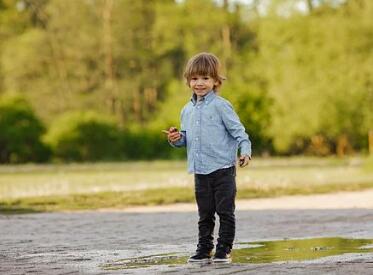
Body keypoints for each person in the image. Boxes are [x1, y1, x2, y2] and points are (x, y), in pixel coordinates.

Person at [165, 52, 252, 264]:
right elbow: (186, 139)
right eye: (194, 79)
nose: (200, 83)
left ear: (215, 81)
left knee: (225, 212)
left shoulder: (221, 106)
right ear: (188, 81)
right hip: (200, 171)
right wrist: (176, 138)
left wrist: (245, 151)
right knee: (204, 214)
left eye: (205, 78)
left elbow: (239, 132)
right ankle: (204, 248)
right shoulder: (187, 110)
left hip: (223, 169)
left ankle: (224, 249)